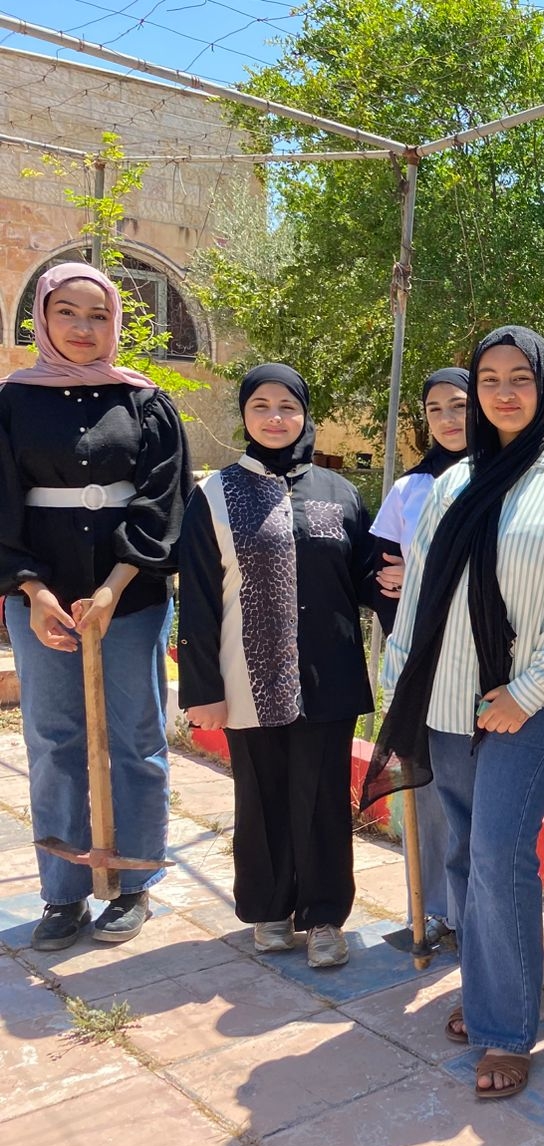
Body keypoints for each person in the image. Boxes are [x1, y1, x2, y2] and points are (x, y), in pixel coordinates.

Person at [367, 325, 544, 1100]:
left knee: (501, 850)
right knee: (467, 850)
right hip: (448, 696)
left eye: (520, 378)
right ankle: (489, 989)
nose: (505, 393)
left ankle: (507, 1027)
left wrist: (528, 689)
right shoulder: (456, 480)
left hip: (532, 703)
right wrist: (399, 679)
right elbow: (421, 593)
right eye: (490, 380)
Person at [0, 261, 191, 950]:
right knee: (55, 740)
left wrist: (113, 587)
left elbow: (163, 499)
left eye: (98, 315)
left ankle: (133, 880)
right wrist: (32, 589)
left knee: (136, 737)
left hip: (130, 598)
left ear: (116, 322)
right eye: (67, 313)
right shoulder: (12, 402)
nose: (83, 328)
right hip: (41, 599)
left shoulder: (145, 403)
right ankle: (64, 892)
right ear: (42, 318)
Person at [179, 364, 377, 968]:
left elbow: (364, 576)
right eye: (260, 405)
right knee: (261, 794)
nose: (275, 417)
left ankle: (324, 917)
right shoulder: (215, 494)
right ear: (244, 414)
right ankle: (269, 907)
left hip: (328, 673)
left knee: (322, 798)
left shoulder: (338, 492)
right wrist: (203, 689)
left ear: (305, 413)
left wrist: (391, 580)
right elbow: (198, 597)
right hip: (248, 674)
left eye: (287, 406)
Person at [369, 366, 470, 948]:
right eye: (435, 409)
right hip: (421, 665)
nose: (448, 419)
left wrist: (424, 579)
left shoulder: (507, 478)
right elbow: (383, 578)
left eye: (459, 405)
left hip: (486, 664)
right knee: (428, 791)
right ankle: (433, 909)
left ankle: (475, 913)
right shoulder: (410, 489)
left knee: (476, 795)